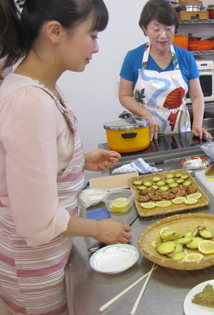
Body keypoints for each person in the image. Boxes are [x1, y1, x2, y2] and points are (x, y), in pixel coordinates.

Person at [0, 0, 132, 313]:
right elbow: (36, 220)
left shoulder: (40, 88)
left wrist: (78, 160)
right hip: (37, 270)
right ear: (56, 32)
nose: (96, 47)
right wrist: (99, 229)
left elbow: (33, 164)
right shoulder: (29, 102)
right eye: (93, 34)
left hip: (52, 255)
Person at [119, 0, 212, 141]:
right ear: (145, 29)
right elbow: (124, 95)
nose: (163, 35)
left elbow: (197, 97)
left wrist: (197, 124)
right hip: (146, 134)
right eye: (156, 29)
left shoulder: (186, 57)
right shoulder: (133, 57)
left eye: (168, 28)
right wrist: (146, 115)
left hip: (181, 136)